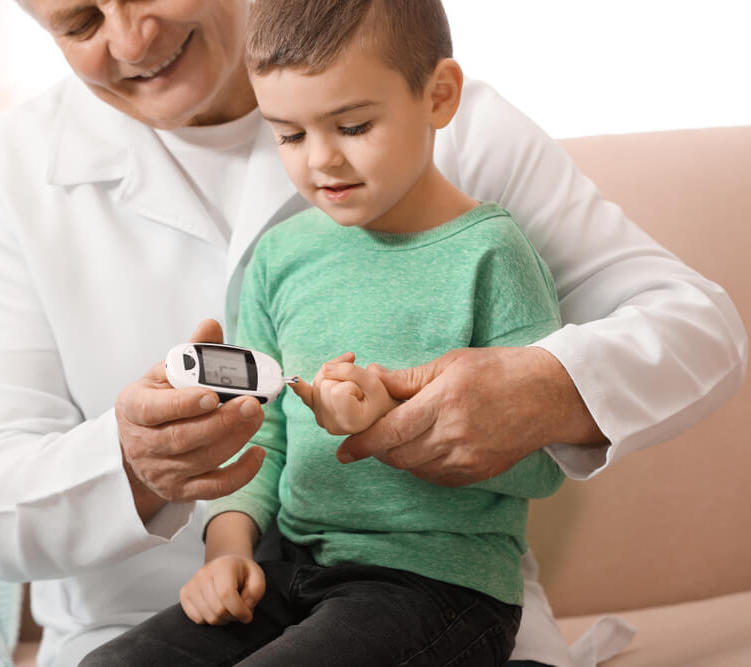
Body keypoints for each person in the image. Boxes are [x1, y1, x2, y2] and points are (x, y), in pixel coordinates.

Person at [0, 0, 747, 665]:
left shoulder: (451, 125)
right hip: (178, 610)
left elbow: (699, 327)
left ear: (435, 98)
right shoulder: (3, 177)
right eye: (80, 22)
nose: (131, 39)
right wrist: (132, 462)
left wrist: (540, 393)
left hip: (429, 592)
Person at [79, 1, 567, 664]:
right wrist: (226, 551)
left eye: (354, 125)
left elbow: (544, 466)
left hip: (438, 587)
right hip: (291, 573)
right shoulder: (281, 259)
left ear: (439, 96)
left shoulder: (491, 255)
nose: (322, 161)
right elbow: (264, 428)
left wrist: (392, 412)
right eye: (289, 135)